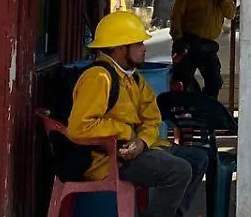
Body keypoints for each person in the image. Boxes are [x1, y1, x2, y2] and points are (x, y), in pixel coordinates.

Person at [70, 11, 208, 217]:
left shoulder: (133, 77)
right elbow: (79, 128)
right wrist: (126, 133)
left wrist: (142, 141)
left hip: (137, 150)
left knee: (198, 158)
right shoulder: (98, 77)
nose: (144, 49)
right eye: (138, 44)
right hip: (108, 160)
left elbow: (152, 118)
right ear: (118, 48)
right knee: (178, 171)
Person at [170, 0, 237, 97]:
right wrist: (178, 38)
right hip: (189, 42)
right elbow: (176, 15)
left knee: (214, 81)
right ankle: (188, 107)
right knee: (182, 82)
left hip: (208, 45)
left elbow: (230, 14)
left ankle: (206, 109)